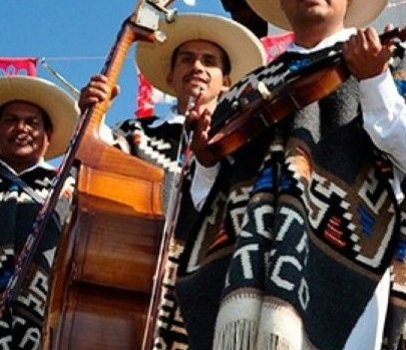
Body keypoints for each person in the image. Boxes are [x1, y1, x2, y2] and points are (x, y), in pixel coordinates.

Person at [174, 0, 406, 349]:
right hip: (249, 266)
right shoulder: (247, 89)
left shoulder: (389, 57)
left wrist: (375, 80)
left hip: (350, 268)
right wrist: (207, 163)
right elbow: (204, 207)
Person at [77, 13, 266, 348]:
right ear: (170, 75)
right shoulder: (135, 133)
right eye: (187, 59)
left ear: (226, 81)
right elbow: (97, 164)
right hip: (133, 287)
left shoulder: (244, 142)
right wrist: (93, 117)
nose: (197, 67)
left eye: (209, 61)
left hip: (212, 285)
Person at [0, 76, 77, 349]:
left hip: (48, 328)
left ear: (48, 135)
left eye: (32, 122)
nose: (21, 128)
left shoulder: (71, 187)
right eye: (10, 120)